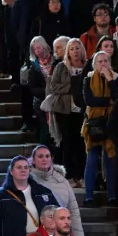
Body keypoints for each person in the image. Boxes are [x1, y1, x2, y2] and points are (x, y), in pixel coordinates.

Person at [46, 39, 88, 185]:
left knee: (81, 143)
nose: (75, 51)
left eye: (77, 48)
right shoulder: (61, 67)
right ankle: (68, 175)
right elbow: (53, 86)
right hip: (64, 110)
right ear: (68, 51)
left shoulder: (87, 66)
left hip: (82, 110)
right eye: (72, 48)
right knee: (68, 143)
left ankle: (81, 176)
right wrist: (72, 86)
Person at [81, 50, 118, 207]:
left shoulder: (116, 78)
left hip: (111, 123)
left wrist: (110, 80)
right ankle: (89, 196)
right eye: (100, 61)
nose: (103, 64)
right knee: (91, 160)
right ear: (94, 64)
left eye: (106, 61)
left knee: (110, 160)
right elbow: (90, 100)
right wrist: (108, 101)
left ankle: (112, 195)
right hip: (95, 124)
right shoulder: (87, 79)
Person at [30, 145, 85, 236]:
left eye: (47, 156)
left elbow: (73, 212)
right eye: (40, 156)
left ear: (51, 159)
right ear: (33, 160)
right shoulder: (27, 181)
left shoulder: (62, 181)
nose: (44, 159)